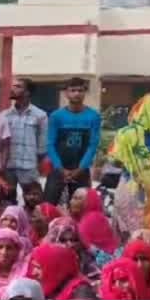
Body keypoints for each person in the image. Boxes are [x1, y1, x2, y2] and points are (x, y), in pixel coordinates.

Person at [44, 78, 102, 207]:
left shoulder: (94, 116)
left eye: (80, 90)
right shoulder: (56, 116)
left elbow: (93, 145)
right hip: (58, 169)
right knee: (47, 207)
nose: (76, 93)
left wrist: (80, 168)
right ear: (66, 93)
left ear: (84, 92)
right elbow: (50, 144)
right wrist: (60, 168)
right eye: (73, 90)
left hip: (81, 170)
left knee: (82, 208)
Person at [2, 78, 48, 200]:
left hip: (29, 168)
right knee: (7, 202)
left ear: (27, 92)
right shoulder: (4, 116)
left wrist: (35, 164)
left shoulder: (40, 115)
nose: (12, 89)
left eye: (18, 87)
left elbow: (43, 146)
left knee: (33, 202)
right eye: (13, 86)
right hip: (8, 167)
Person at [45, 217, 104, 284]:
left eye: (74, 240)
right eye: (63, 240)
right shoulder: (49, 267)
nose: (70, 244)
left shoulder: (85, 257)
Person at [71, 188, 117, 268]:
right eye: (73, 198)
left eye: (78, 198)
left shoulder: (92, 218)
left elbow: (90, 247)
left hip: (103, 265)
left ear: (88, 202)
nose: (72, 202)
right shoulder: (84, 218)